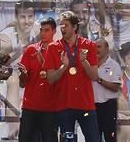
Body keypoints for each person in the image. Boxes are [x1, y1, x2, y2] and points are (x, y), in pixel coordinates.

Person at [43, 10, 100, 142]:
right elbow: (50, 79)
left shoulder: (89, 45)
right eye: (61, 25)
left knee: (93, 139)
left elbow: (94, 76)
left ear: (75, 27)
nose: (62, 28)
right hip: (64, 104)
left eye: (66, 25)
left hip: (85, 104)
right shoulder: (53, 47)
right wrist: (64, 67)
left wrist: (84, 61)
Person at [17, 17, 58, 142]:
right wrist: (23, 74)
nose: (43, 33)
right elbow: (22, 83)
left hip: (50, 107)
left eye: (47, 30)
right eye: (41, 30)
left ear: (54, 31)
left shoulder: (59, 50)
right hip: (30, 106)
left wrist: (44, 62)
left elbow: (58, 78)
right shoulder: (31, 50)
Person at [93, 38, 122, 142]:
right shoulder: (90, 65)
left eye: (99, 47)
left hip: (108, 106)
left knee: (110, 137)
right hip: (92, 106)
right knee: (94, 138)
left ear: (107, 49)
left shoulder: (114, 65)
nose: (96, 50)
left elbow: (116, 88)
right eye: (94, 47)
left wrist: (99, 79)